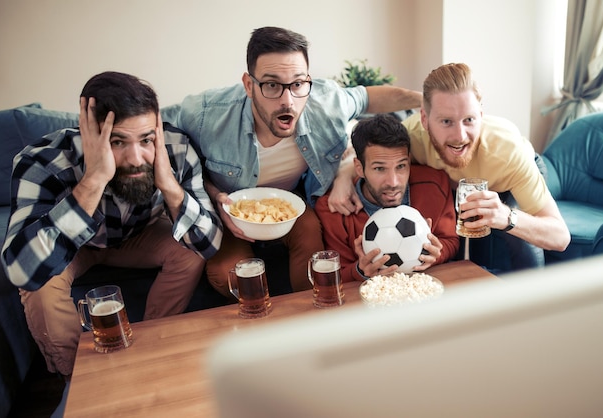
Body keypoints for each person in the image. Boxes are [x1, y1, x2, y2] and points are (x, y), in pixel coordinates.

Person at [1, 71, 223, 377]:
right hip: (75, 246)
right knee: (40, 284)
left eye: (146, 139)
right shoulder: (41, 162)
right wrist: (93, 180)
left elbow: (208, 244)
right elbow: (22, 271)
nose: (135, 158)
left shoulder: (177, 149)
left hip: (138, 236)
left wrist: (170, 186)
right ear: (86, 131)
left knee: (188, 249)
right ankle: (77, 376)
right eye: (118, 141)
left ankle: (151, 350)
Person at [176, 26, 422, 295]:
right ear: (249, 85)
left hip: (290, 204)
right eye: (271, 85)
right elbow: (154, 130)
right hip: (228, 213)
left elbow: (367, 98)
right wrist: (212, 197)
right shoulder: (205, 113)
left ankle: (307, 321)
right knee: (230, 275)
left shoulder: (325, 102)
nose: (287, 101)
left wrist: (429, 101)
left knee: (311, 246)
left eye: (297, 84)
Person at [401, 63, 570, 271]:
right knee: (462, 248)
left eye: (469, 120)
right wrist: (346, 172)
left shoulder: (508, 153)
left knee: (521, 246)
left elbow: (560, 237)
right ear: (425, 121)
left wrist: (505, 216)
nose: (460, 136)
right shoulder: (409, 137)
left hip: (508, 177)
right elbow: (364, 157)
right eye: (446, 121)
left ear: (481, 116)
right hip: (456, 186)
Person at [315, 113, 459, 282]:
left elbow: (450, 240)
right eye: (379, 169)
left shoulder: (434, 184)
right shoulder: (334, 208)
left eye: (401, 166)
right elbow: (336, 276)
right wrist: (360, 271)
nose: (393, 182)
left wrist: (437, 254)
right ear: (359, 168)